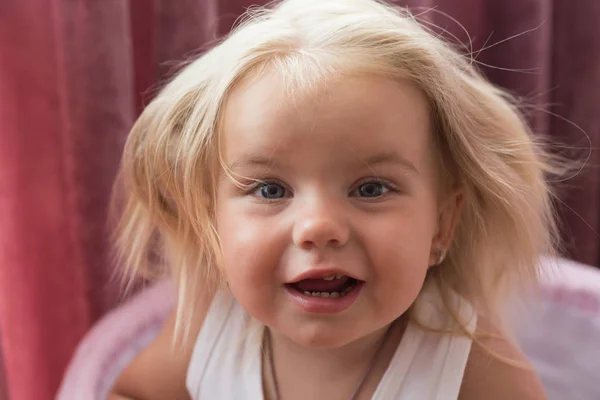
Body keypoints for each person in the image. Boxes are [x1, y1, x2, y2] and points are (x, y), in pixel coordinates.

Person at [109, 0, 560, 398]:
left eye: (371, 189)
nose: (318, 226)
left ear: (441, 225)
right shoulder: (213, 328)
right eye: (270, 190)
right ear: (214, 221)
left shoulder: (471, 366)